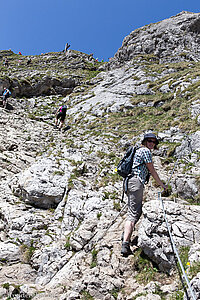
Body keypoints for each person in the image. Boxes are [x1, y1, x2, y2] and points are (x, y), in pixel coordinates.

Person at [121, 133, 168, 256]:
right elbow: (151, 170)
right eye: (150, 141)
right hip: (136, 182)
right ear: (145, 142)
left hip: (129, 182)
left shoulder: (138, 150)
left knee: (134, 211)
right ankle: (125, 244)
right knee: (133, 214)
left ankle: (126, 234)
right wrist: (162, 185)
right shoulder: (145, 151)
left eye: (154, 142)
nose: (152, 143)